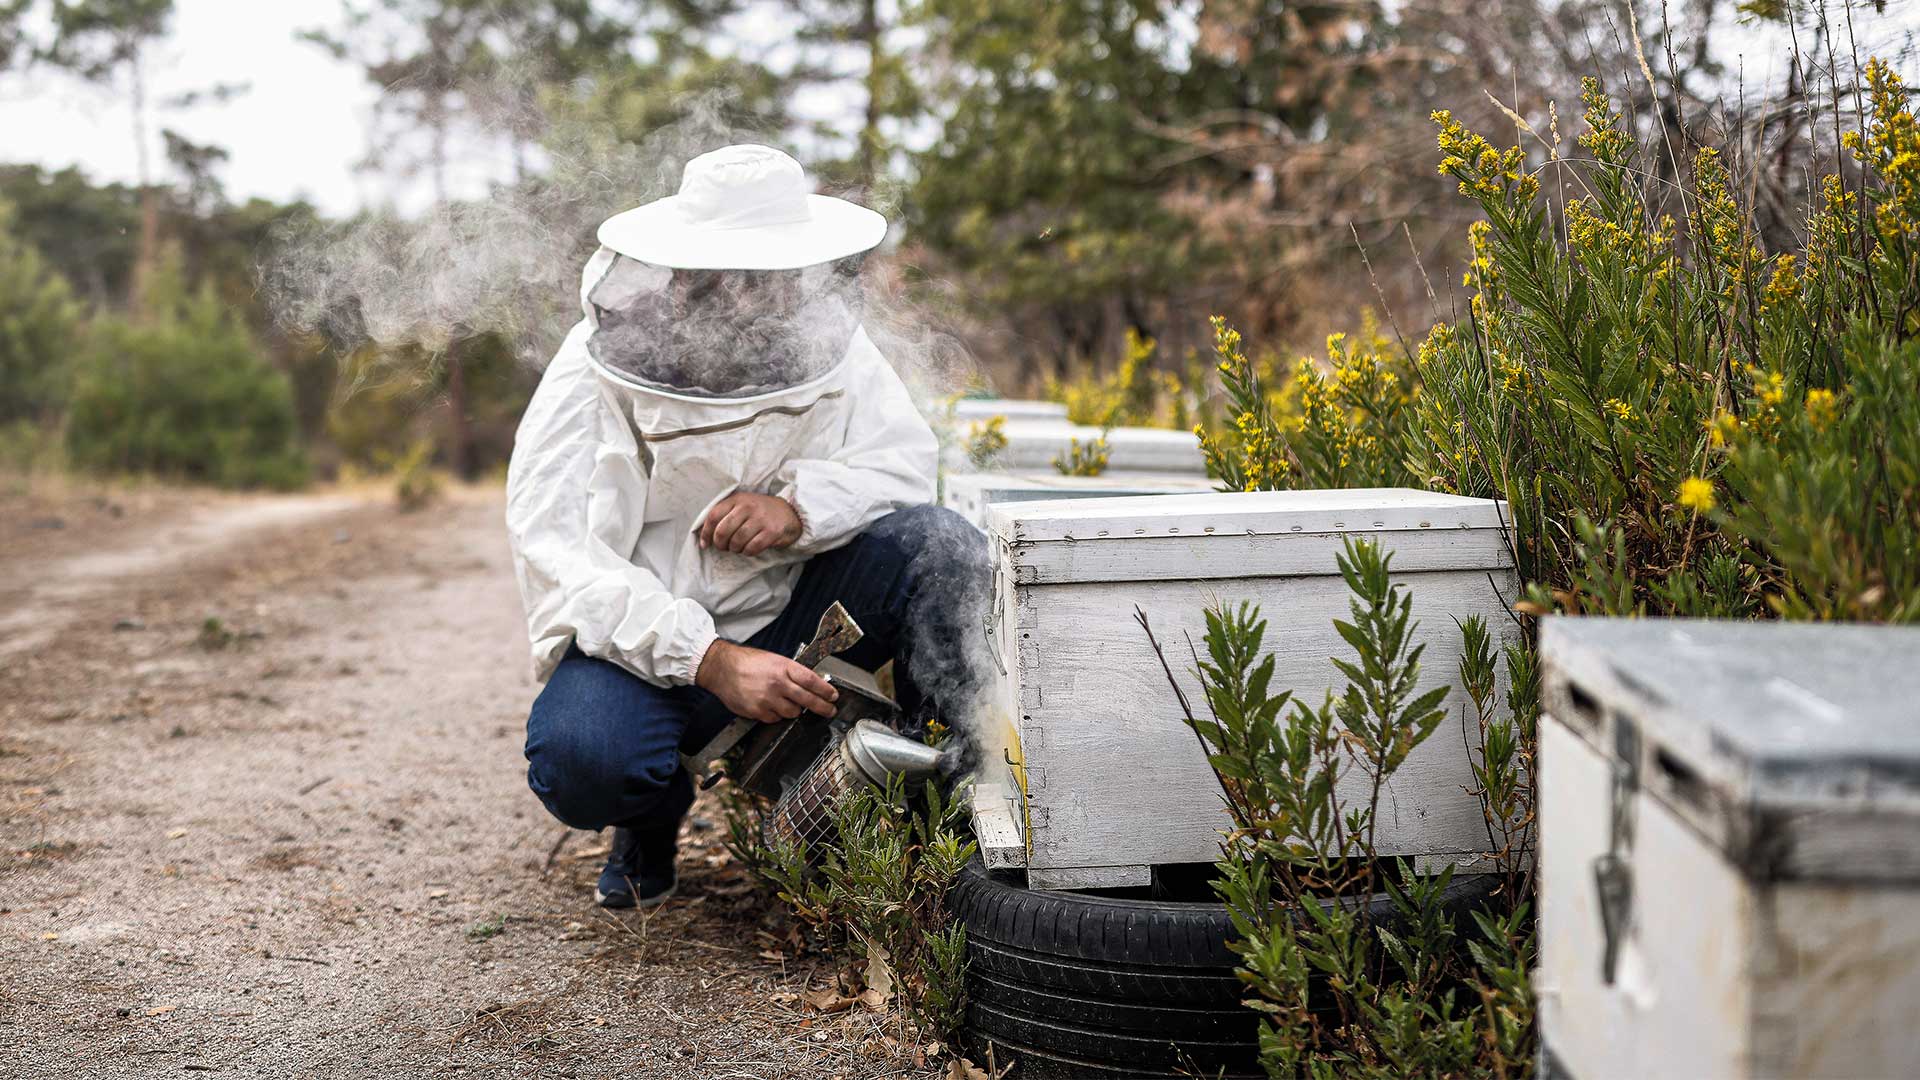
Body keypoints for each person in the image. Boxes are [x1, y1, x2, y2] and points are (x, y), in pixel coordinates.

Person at [506, 144, 986, 909]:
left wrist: (799, 508)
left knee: (942, 547)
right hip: (649, 641)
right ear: (688, 267)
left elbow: (902, 461)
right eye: (739, 271)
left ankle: (947, 803)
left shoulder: (833, 342)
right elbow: (558, 549)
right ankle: (647, 816)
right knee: (584, 760)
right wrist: (708, 658)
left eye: (775, 272)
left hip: (798, 609)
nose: (759, 291)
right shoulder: (593, 366)